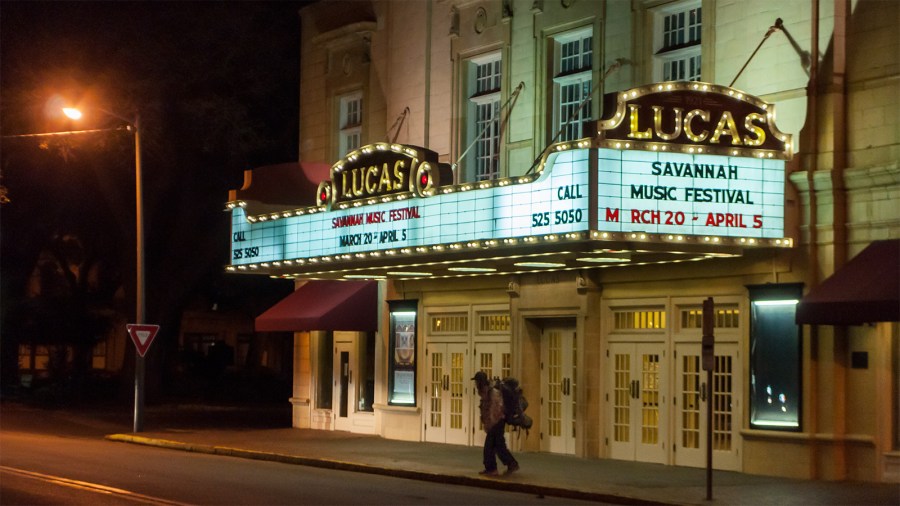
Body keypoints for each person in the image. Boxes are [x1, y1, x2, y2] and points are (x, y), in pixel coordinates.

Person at [472, 371, 519, 476]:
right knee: (499, 445)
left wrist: (490, 424)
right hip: (496, 422)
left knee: (489, 447)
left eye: (477, 381)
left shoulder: (492, 392)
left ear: (480, 382)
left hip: (497, 422)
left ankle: (492, 469)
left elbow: (495, 409)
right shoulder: (486, 392)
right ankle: (512, 463)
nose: (475, 384)